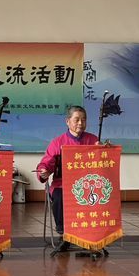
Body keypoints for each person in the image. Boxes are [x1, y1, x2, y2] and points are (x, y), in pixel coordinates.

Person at [36, 106, 98, 251]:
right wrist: (43, 171)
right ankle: (64, 234)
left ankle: (92, 234)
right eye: (76, 119)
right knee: (59, 196)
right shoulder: (58, 142)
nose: (80, 123)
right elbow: (47, 162)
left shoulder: (93, 139)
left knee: (98, 195)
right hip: (62, 183)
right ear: (67, 121)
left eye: (83, 120)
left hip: (87, 183)